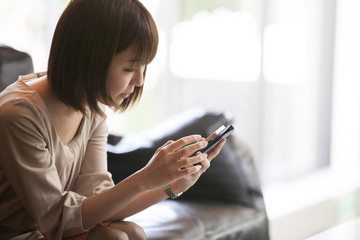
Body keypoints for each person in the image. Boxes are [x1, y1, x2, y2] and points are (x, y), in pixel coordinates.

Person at [0, 0, 226, 239]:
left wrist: (170, 186)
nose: (139, 80)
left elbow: (98, 205)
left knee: (132, 233)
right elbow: (55, 219)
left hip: (44, 231)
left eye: (143, 67)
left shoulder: (90, 109)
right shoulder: (20, 115)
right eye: (130, 68)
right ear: (89, 58)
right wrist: (147, 176)